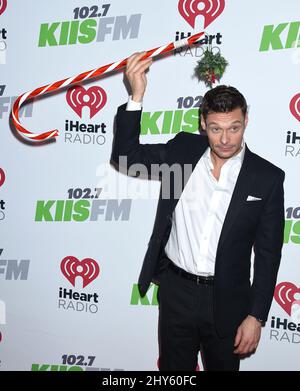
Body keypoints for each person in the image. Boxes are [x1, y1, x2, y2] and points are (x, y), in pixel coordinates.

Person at [111, 52, 285, 371]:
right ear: (203, 124)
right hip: (177, 292)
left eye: (234, 127)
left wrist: (257, 315)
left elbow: (269, 253)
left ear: (246, 121)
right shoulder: (183, 152)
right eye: (216, 129)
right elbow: (125, 157)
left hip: (228, 300)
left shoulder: (267, 178)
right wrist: (136, 95)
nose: (226, 139)